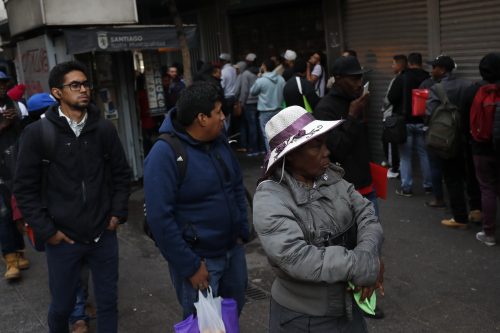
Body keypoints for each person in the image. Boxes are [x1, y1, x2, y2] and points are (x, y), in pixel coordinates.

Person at [14, 61, 131, 333]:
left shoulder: (103, 129)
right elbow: (25, 189)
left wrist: (116, 214)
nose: (83, 90)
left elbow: (121, 174)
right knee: (63, 306)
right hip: (63, 239)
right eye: (75, 85)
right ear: (57, 92)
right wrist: (48, 231)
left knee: (107, 304)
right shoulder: (37, 134)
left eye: (86, 84)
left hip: (103, 235)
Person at [254, 105, 384, 332]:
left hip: (347, 309)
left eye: (325, 143)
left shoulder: (331, 177)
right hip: (303, 319)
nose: (327, 152)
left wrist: (368, 252)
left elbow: (366, 214)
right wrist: (362, 265)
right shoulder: (270, 198)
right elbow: (296, 257)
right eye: (317, 146)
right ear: (291, 155)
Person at [143, 82, 249, 319]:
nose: (223, 117)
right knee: (204, 325)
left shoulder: (219, 140)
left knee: (230, 318)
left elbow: (236, 186)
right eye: (219, 112)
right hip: (200, 263)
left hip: (233, 252)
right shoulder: (164, 154)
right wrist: (190, 266)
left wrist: (242, 229)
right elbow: (159, 219)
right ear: (201, 118)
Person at [425, 55, 481, 229]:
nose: (432, 70)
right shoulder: (469, 85)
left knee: (452, 178)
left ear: (442, 69)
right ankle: (476, 211)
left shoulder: (437, 88)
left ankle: (460, 218)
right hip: (469, 137)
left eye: (434, 67)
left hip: (448, 140)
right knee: (471, 176)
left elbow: (429, 114)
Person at [461, 53, 500, 246]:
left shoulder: (471, 91)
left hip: (480, 148)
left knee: (487, 189)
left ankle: (489, 233)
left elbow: (463, 121)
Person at [389, 53, 433, 196]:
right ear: (421, 63)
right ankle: (428, 186)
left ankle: (406, 188)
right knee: (424, 153)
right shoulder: (428, 78)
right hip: (423, 122)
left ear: (409, 63)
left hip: (405, 122)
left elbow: (391, 97)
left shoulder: (403, 77)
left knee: (405, 156)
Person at [0, 71, 29, 281]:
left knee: (16, 210)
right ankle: (10, 259)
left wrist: (15, 121)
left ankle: (18, 252)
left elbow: (24, 133)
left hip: (14, 164)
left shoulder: (14, 104)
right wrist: (3, 125)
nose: (1, 86)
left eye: (3, 83)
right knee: (2, 212)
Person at [250, 59, 285, 152]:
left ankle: (272, 157)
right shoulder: (281, 79)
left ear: (264, 67)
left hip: (265, 112)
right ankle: (281, 154)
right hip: (279, 110)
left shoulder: (261, 80)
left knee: (267, 136)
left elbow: (252, 92)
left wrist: (259, 77)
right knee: (279, 134)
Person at [382, 54, 407, 179]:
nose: (392, 66)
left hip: (393, 116)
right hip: (404, 117)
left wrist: (383, 107)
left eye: (393, 64)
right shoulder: (407, 78)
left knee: (392, 144)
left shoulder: (398, 79)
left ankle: (394, 168)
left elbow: (389, 98)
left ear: (399, 65)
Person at [237, 53, 262, 156]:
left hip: (249, 103)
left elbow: (244, 91)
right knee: (259, 125)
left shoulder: (246, 74)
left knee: (252, 126)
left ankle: (254, 149)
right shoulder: (260, 71)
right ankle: (262, 147)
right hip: (259, 102)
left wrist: (241, 103)